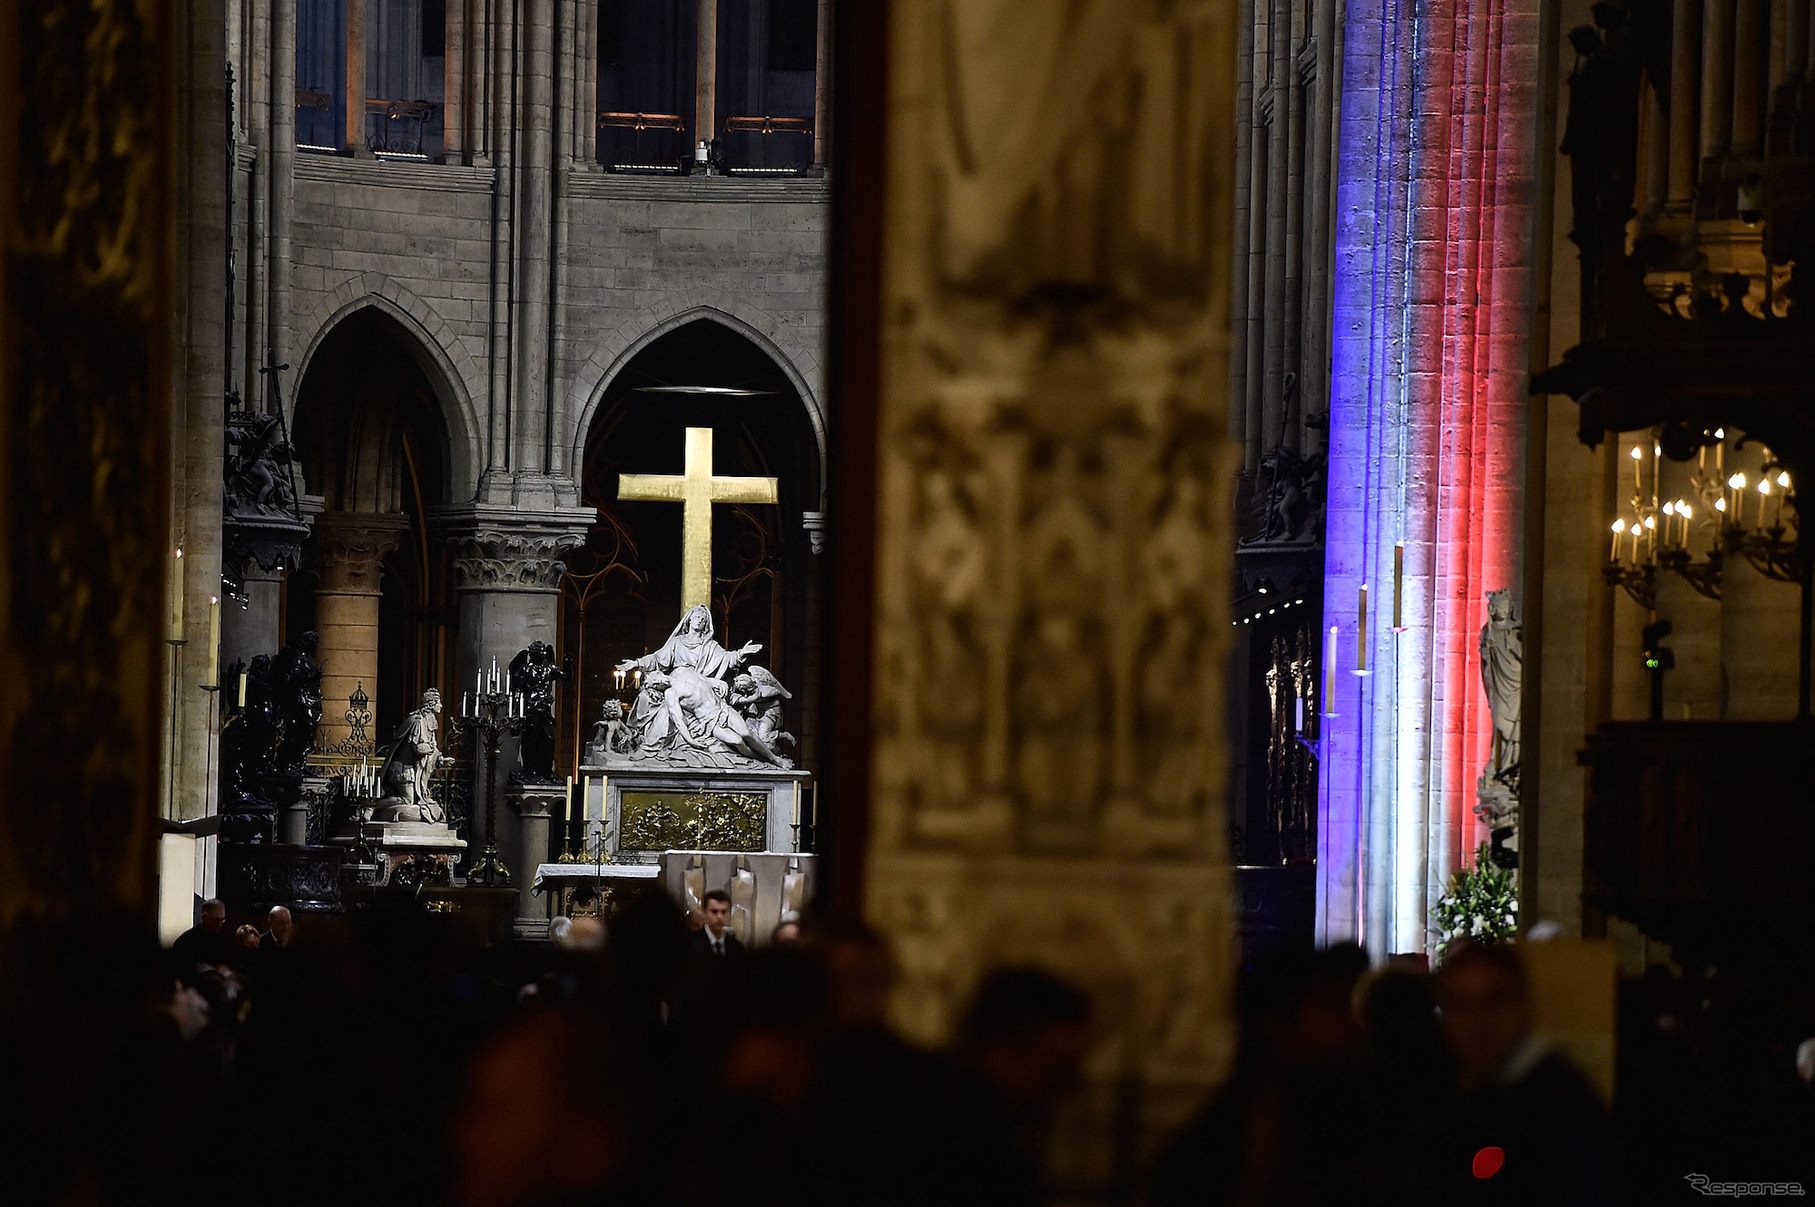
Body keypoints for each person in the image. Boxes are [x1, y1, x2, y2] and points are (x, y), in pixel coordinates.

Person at [1434, 940, 1630, 1205]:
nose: (1477, 1020)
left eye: (1494, 1000)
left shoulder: (1562, 1108)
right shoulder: (1456, 1090)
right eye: (1459, 1004)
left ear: (1523, 1006)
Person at [170, 899, 229, 974]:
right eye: (215, 920)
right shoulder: (186, 941)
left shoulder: (223, 941)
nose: (219, 924)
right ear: (204, 918)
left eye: (222, 920)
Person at [691, 890, 744, 959]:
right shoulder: (690, 944)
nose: (720, 917)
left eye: (724, 912)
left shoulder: (737, 947)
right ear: (704, 913)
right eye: (714, 912)